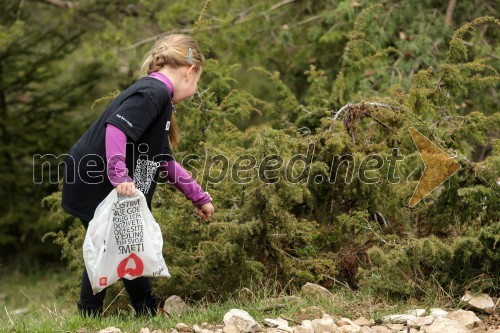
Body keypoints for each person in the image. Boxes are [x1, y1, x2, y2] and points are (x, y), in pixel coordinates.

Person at [61, 34, 215, 317]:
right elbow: (116, 129)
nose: (194, 90)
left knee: (125, 239)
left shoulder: (160, 98)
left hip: (94, 175)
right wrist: (119, 176)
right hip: (93, 177)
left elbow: (163, 160)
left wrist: (198, 197)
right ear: (189, 72)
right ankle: (93, 314)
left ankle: (145, 309)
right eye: (197, 82)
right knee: (115, 240)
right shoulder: (153, 92)